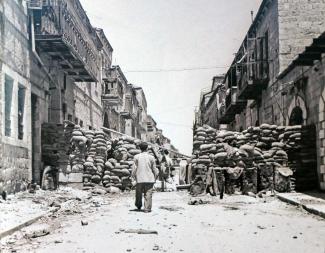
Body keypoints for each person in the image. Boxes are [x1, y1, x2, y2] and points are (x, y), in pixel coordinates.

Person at [132, 142, 159, 213]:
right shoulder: (151, 157)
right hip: (149, 178)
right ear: (147, 148)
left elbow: (134, 168)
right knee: (148, 194)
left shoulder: (136, 157)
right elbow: (154, 169)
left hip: (139, 178)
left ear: (140, 148)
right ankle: (147, 208)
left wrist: (133, 177)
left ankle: (138, 205)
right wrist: (155, 177)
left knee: (138, 193)